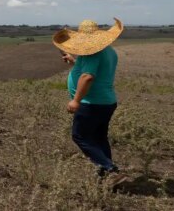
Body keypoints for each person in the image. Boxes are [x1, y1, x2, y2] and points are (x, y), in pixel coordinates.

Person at [52, 18, 127, 183]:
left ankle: (111, 170)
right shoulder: (108, 51)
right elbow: (88, 69)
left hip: (91, 104)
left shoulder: (93, 53)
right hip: (106, 102)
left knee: (80, 136)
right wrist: (74, 61)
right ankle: (106, 175)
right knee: (99, 138)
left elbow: (87, 77)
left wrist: (76, 101)